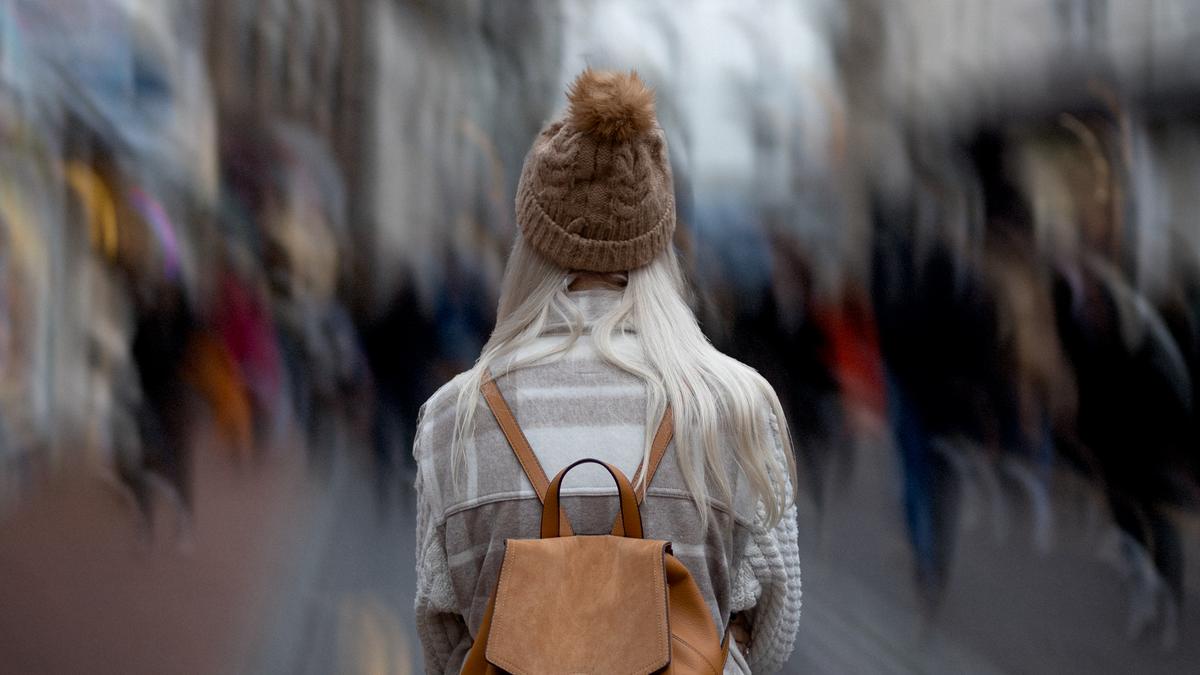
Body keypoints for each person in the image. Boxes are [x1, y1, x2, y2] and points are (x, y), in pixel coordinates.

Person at [413, 68, 801, 674]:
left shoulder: (452, 419)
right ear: (660, 242)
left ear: (531, 244)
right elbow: (773, 633)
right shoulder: (737, 407)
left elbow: (443, 644)